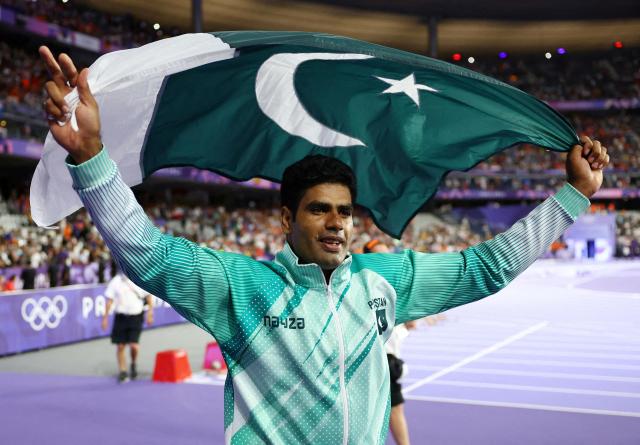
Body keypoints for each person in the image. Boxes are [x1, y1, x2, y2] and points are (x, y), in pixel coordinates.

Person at [39, 46, 609, 444]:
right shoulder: (244, 289)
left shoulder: (386, 283)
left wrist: (573, 195)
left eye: (344, 211)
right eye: (319, 210)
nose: (337, 223)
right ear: (287, 218)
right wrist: (90, 155)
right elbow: (150, 255)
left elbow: (486, 267)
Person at [364, 239, 414, 445]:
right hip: (373, 359)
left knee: (391, 409)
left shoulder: (394, 287)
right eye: (379, 255)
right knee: (388, 410)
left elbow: (411, 324)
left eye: (388, 254)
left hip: (389, 358)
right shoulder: (363, 286)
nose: (386, 259)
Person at [102, 270, 154, 382]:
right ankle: (123, 371)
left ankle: (133, 363)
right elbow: (109, 301)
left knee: (134, 346)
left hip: (136, 315)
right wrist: (105, 318)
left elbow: (149, 298)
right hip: (121, 316)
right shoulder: (115, 281)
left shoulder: (138, 279)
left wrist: (150, 313)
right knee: (120, 346)